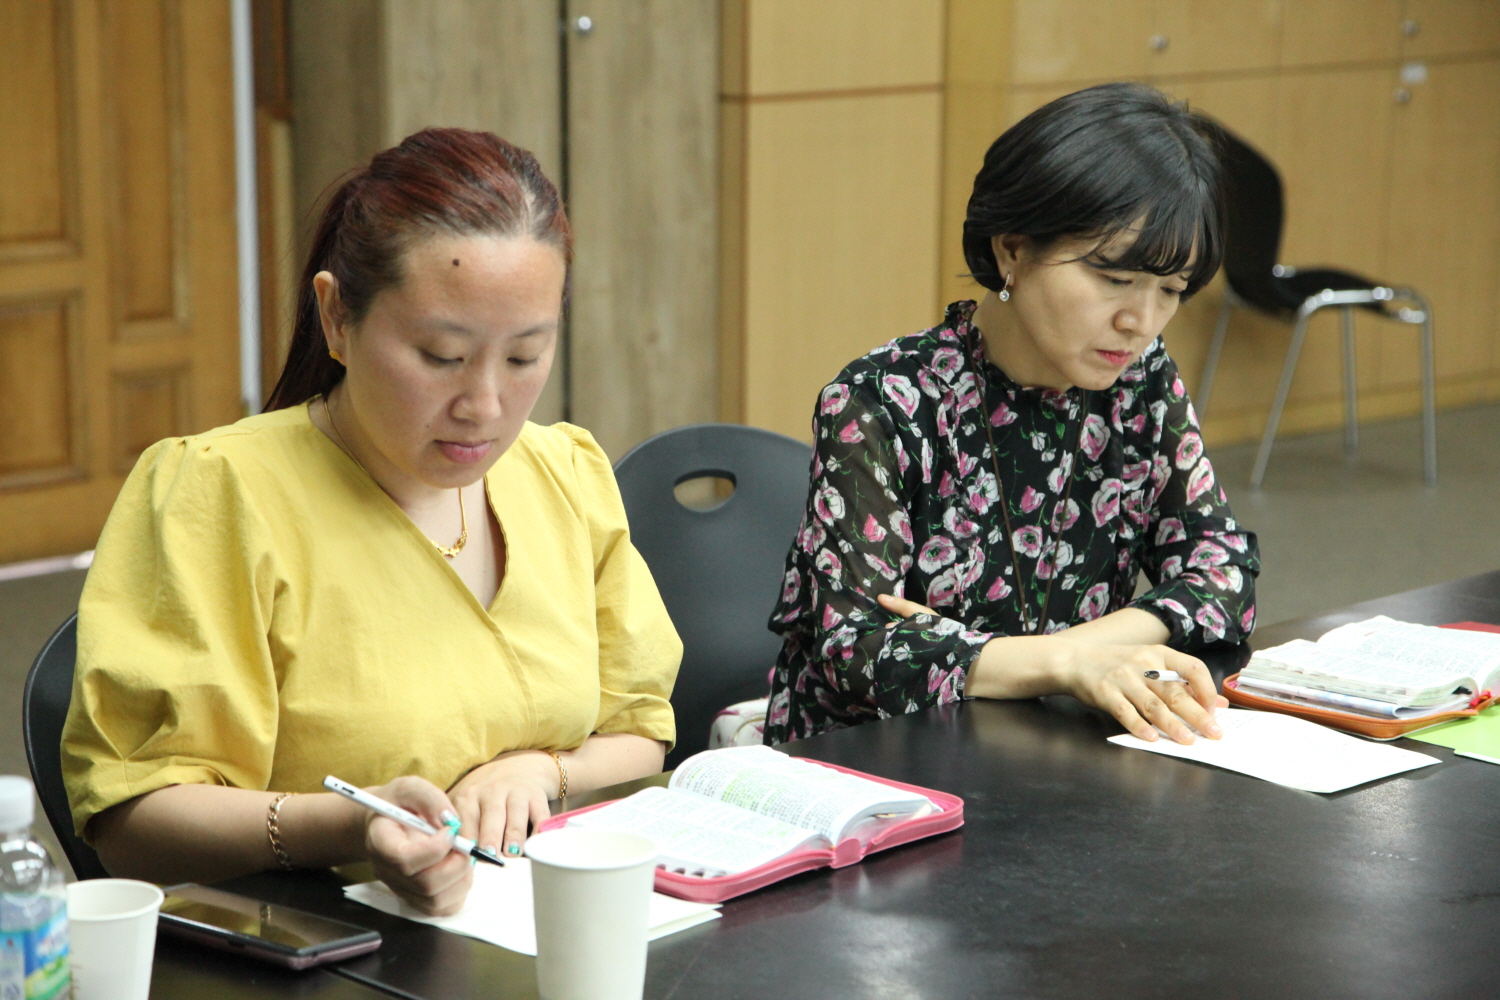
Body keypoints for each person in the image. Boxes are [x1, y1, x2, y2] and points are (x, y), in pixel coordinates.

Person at [61, 129, 680, 915]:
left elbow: (641, 729)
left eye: (525, 357)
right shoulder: (218, 493)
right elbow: (131, 821)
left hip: (529, 924)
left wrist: (540, 772)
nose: (485, 405)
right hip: (316, 940)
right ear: (337, 317)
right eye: (442, 355)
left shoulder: (563, 473)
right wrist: (350, 825)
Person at [765, 84, 1259, 749]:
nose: (1140, 320)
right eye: (1115, 279)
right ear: (1012, 251)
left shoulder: (1137, 379)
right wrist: (1067, 663)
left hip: (1054, 750)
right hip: (879, 768)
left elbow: (1223, 572)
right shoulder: (883, 400)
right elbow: (856, 648)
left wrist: (1070, 655)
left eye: (1170, 290)